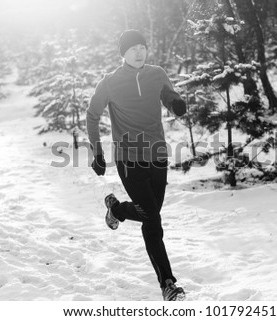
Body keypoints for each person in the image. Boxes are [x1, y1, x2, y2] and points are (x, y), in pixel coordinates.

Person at [86, 29, 187, 301]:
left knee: (148, 212)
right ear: (124, 54)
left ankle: (116, 209)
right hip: (128, 158)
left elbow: (168, 94)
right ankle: (167, 283)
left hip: (157, 155)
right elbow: (92, 114)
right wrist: (97, 151)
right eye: (133, 49)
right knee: (152, 220)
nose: (140, 52)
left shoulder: (157, 73)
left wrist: (176, 103)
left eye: (142, 47)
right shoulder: (110, 82)